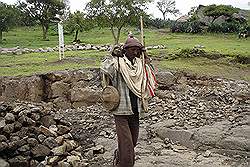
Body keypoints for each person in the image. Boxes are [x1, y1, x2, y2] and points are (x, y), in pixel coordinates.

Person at [101, 35, 156, 167]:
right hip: (121, 111)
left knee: (133, 143)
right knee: (127, 147)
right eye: (132, 50)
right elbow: (104, 68)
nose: (135, 53)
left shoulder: (140, 65)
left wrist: (146, 56)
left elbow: (150, 74)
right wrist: (112, 54)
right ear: (125, 50)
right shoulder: (118, 64)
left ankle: (118, 157)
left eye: (137, 50)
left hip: (135, 110)